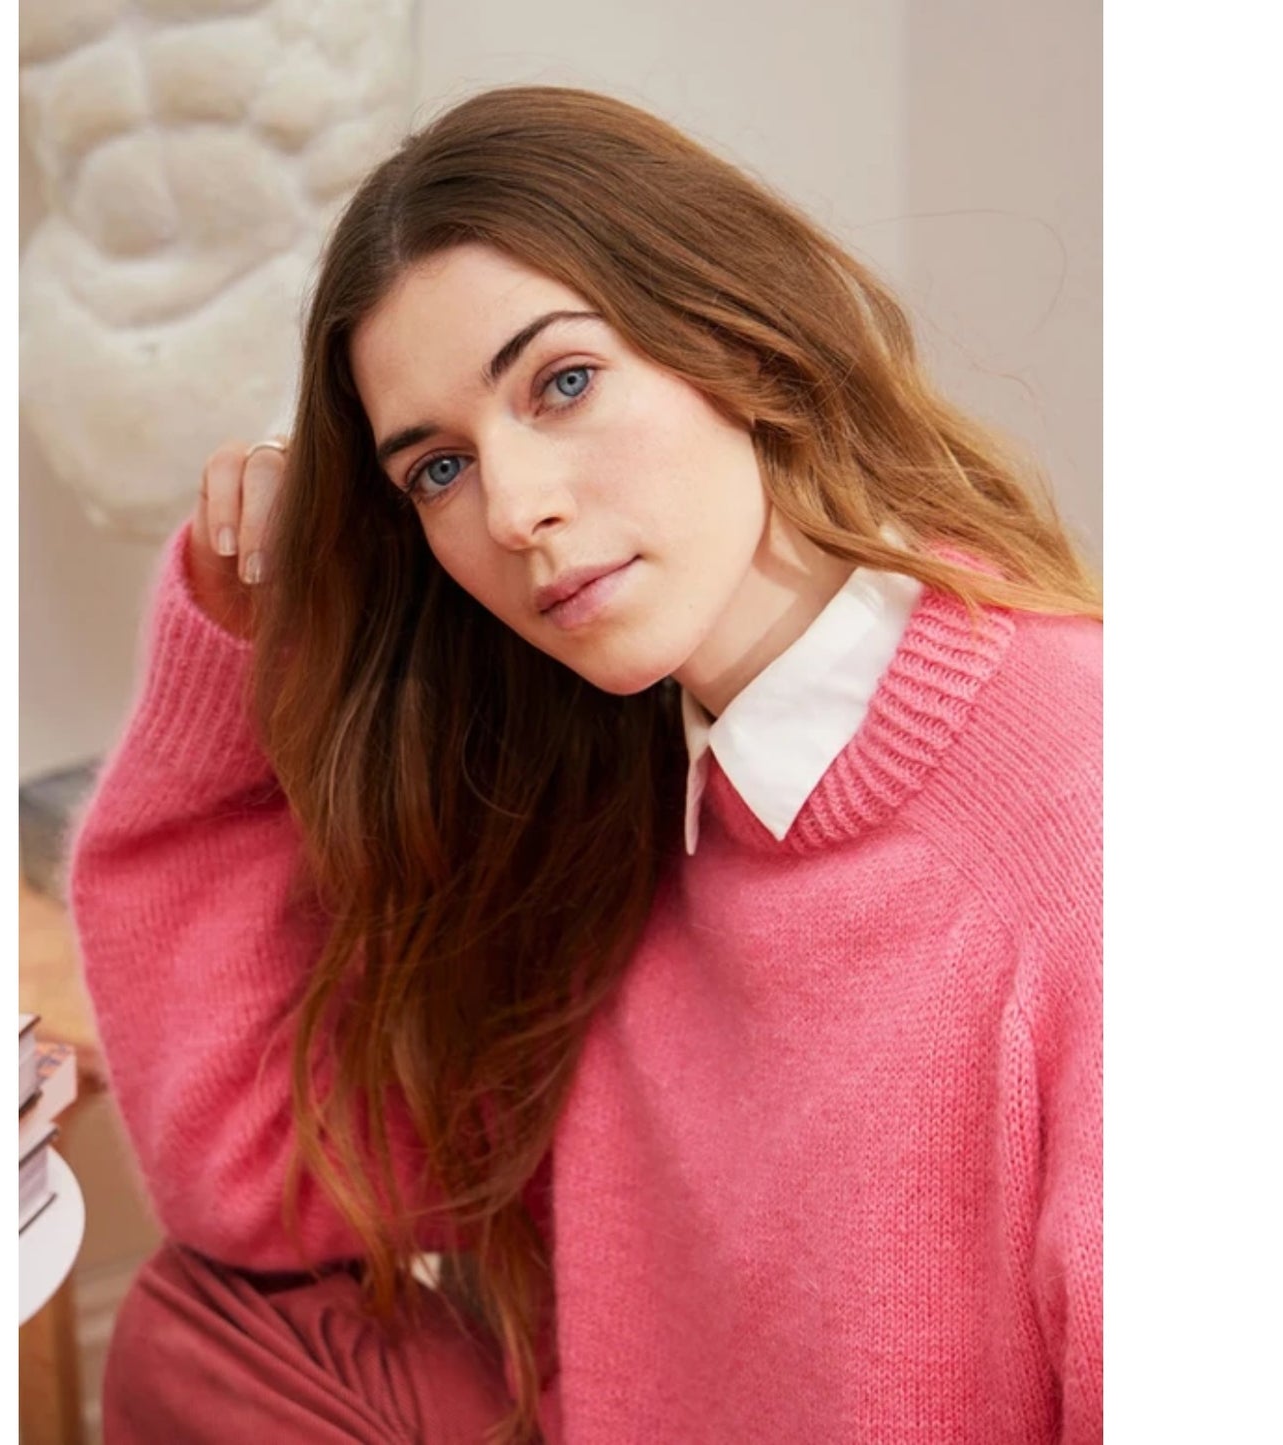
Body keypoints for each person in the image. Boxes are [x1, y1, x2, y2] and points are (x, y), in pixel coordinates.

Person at [68, 85, 1102, 1445]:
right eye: (438, 470)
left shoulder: (1090, 816)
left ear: (740, 336)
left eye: (562, 383)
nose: (514, 509)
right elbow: (250, 1164)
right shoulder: (633, 791)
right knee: (201, 1329)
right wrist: (246, 629)